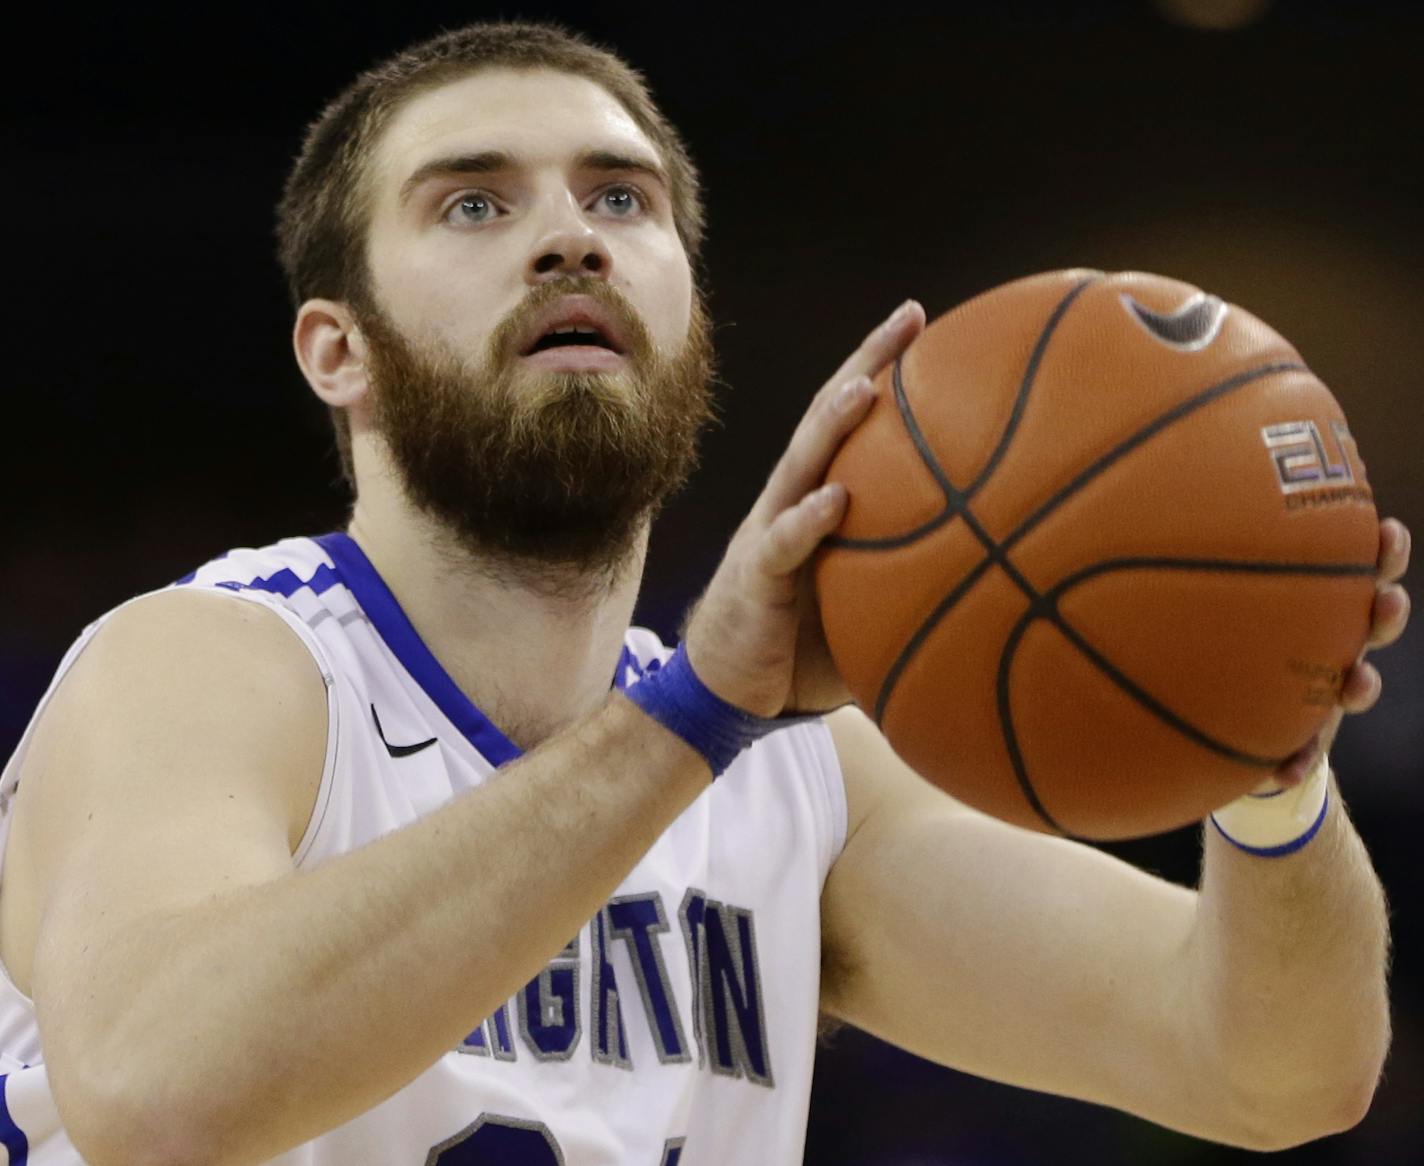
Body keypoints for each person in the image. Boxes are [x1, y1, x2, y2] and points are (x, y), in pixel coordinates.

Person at [0, 20, 1410, 1166]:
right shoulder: (209, 665)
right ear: (337, 350)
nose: (571, 238)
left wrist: (1260, 758)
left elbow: (1267, 1071)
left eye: (621, 198)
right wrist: (694, 710)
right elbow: (153, 1091)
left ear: (690, 314)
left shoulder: (798, 782)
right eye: (475, 203)